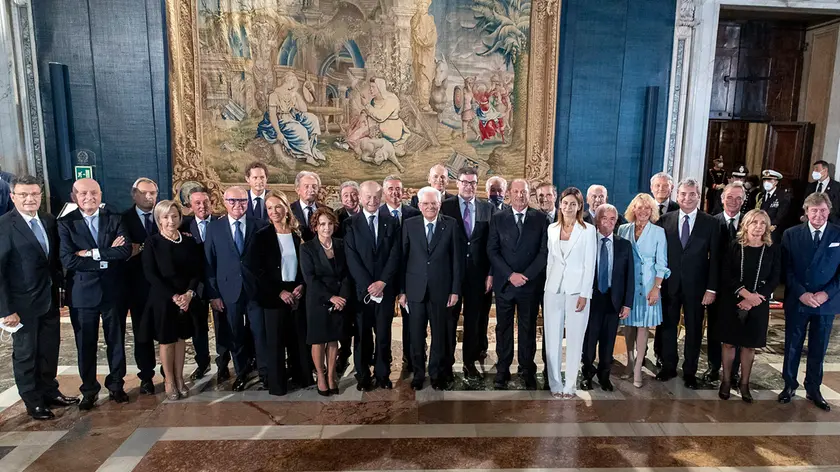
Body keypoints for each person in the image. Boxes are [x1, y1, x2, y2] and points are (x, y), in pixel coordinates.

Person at [0, 175, 78, 420]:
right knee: (26, 354)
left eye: (34, 194)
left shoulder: (48, 220)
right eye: (24, 195)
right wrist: (4, 310)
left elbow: (52, 261)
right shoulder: (4, 226)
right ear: (13, 197)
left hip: (49, 299)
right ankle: (32, 401)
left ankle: (49, 391)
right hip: (21, 304)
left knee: (48, 349)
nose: (30, 199)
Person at [58, 178, 132, 410]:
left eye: (94, 193)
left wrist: (89, 253)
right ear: (74, 197)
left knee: (116, 341)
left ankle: (117, 385)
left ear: (101, 194)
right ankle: (89, 389)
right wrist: (105, 256)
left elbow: (124, 250)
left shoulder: (115, 217)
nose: (89, 197)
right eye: (83, 194)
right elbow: (68, 259)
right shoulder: (65, 223)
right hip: (82, 295)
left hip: (114, 291)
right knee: (86, 344)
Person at [657, 178, 721, 389]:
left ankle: (690, 372)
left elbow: (715, 259)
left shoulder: (711, 223)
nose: (687, 198)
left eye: (692, 194)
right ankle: (668, 366)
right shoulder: (665, 220)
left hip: (698, 288)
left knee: (694, 330)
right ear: (677, 196)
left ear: (698, 197)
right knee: (668, 327)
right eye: (683, 194)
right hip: (669, 285)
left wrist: (711, 288)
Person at [779, 192, 840, 411]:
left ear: (829, 211)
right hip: (799, 299)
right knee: (793, 345)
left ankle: (814, 388)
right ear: (806, 212)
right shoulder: (791, 234)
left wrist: (826, 294)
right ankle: (789, 385)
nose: (819, 214)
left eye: (823, 210)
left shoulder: (838, 234)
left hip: (826, 302)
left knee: (818, 347)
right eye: (814, 210)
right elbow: (785, 268)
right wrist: (801, 293)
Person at [204, 186, 269, 391]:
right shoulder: (215, 228)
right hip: (228, 291)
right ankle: (241, 373)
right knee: (235, 334)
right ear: (225, 202)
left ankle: (264, 372)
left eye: (242, 201)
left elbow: (267, 261)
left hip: (255, 291)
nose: (237, 205)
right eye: (232, 200)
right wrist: (213, 294)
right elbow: (209, 263)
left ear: (247, 203)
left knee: (259, 333)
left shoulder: (260, 225)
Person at [487, 179, 548, 390]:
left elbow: (543, 252)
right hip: (506, 284)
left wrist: (526, 276)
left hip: (530, 285)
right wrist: (510, 274)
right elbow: (492, 251)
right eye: (516, 191)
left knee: (527, 329)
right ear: (509, 194)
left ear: (529, 194)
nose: (520, 195)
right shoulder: (498, 218)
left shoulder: (540, 218)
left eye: (524, 192)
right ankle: (502, 370)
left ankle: (526, 370)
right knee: (503, 329)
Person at [399, 186, 462, 391]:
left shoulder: (451, 225)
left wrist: (454, 290)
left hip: (441, 291)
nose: (429, 207)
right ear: (419, 205)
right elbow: (403, 258)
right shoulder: (409, 224)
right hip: (415, 291)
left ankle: (436, 374)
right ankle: (418, 374)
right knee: (416, 336)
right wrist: (402, 291)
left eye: (433, 203)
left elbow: (456, 260)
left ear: (439, 204)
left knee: (439, 335)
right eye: (425, 203)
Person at [142, 200, 204, 401]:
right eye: (166, 217)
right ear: (159, 219)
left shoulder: (188, 241)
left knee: (181, 340)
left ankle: (179, 378)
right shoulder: (152, 242)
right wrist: (174, 296)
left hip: (186, 298)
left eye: (175, 216)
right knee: (167, 340)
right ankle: (169, 380)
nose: (171, 221)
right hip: (163, 299)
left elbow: (197, 271)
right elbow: (151, 275)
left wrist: (188, 294)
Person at [718, 209, 781, 403]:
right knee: (729, 342)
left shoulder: (772, 249)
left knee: (749, 345)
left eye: (763, 223)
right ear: (746, 225)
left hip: (759, 303)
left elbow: (775, 278)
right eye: (754, 222)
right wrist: (744, 294)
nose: (758, 227)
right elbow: (726, 274)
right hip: (733, 300)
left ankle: (744, 383)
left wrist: (755, 298)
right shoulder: (734, 246)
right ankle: (727, 380)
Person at [344, 181, 401, 390]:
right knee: (362, 335)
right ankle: (363, 376)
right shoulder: (350, 224)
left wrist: (382, 282)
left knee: (384, 334)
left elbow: (395, 254)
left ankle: (383, 374)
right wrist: (369, 285)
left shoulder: (392, 222)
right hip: (361, 292)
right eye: (368, 196)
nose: (372, 201)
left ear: (382, 197)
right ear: (360, 196)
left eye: (376, 197)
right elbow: (351, 258)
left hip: (384, 290)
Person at [252, 191, 308, 396]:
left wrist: (302, 285)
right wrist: (279, 292)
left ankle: (302, 378)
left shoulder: (299, 233)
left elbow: (306, 264)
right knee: (275, 343)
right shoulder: (262, 236)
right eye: (269, 208)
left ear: (286, 207)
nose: (274, 211)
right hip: (273, 295)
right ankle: (278, 385)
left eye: (277, 206)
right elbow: (257, 271)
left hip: (297, 292)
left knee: (297, 339)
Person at [440, 167, 494, 380]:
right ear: (457, 183)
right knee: (449, 320)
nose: (469, 186)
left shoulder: (487, 208)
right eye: (465, 182)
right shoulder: (444, 207)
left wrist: (490, 273)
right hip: (451, 275)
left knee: (473, 321)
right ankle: (447, 362)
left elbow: (492, 244)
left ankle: (469, 363)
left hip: (478, 276)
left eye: (473, 183)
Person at [543, 187, 596, 398]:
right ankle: (555, 384)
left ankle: (570, 385)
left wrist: (585, 293)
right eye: (565, 203)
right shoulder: (552, 229)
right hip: (553, 289)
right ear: (560, 205)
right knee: (552, 338)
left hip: (577, 291)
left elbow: (589, 264)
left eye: (573, 204)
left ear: (579, 206)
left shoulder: (588, 230)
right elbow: (550, 261)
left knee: (575, 339)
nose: (568, 207)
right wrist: (548, 285)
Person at [618, 193, 669, 388]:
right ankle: (629, 362)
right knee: (628, 327)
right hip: (629, 287)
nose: (643, 212)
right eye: (639, 208)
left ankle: (639, 366)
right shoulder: (623, 229)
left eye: (647, 208)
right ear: (633, 210)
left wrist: (657, 288)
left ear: (652, 211)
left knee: (642, 328)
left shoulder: (658, 232)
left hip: (649, 287)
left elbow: (661, 263)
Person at [581, 204, 633, 392]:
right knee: (589, 340)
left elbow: (630, 276)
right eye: (605, 218)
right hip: (591, 299)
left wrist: (627, 303)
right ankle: (586, 373)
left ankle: (604, 375)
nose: (609, 223)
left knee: (608, 341)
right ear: (597, 220)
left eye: (613, 219)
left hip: (613, 300)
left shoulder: (624, 245)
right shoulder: (587, 242)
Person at [300, 207, 352, 396]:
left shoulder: (341, 244)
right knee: (318, 341)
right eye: (322, 224)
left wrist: (342, 297)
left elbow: (347, 274)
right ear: (315, 226)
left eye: (330, 224)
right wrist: (331, 297)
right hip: (318, 300)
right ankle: (320, 376)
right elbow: (310, 278)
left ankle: (331, 376)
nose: (326, 227)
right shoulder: (307, 248)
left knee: (333, 340)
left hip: (340, 300)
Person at [179, 187, 228, 381]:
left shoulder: (222, 223)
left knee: (222, 326)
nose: (202, 206)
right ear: (190, 206)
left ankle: (223, 364)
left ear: (212, 202)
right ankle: (202, 363)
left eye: (205, 201)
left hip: (219, 283)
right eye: (197, 202)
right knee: (199, 327)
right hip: (195, 285)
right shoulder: (184, 226)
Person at [119, 177, 159, 395]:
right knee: (142, 332)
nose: (149, 197)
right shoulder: (123, 219)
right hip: (137, 286)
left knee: (166, 331)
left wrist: (139, 247)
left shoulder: (164, 215)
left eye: (152, 193)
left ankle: (171, 373)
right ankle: (146, 376)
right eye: (144, 193)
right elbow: (124, 250)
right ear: (134, 194)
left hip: (163, 286)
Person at [705, 182, 747, 384]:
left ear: (744, 201)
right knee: (714, 329)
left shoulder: (750, 223)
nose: (734, 202)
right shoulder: (712, 222)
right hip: (717, 288)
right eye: (729, 197)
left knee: (739, 329)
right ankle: (713, 367)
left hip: (742, 288)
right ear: (722, 199)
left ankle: (734, 370)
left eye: (739, 198)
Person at [381, 175, 421, 368]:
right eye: (391, 189)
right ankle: (384, 356)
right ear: (384, 192)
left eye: (398, 189)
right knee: (384, 319)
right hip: (385, 278)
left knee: (410, 317)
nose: (395, 192)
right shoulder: (378, 214)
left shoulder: (414, 213)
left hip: (410, 274)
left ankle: (410, 355)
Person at [256, 71, 325, 167]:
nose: (294, 86)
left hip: (292, 117)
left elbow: (303, 109)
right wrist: (279, 133)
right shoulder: (274, 95)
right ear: (288, 82)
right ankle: (308, 156)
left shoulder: (291, 94)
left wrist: (296, 94)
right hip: (281, 121)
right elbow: (272, 116)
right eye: (293, 83)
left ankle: (312, 149)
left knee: (313, 119)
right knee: (301, 131)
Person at [650, 171, 678, 367]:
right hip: (645, 271)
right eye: (657, 186)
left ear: (671, 188)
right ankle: (638, 354)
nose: (661, 189)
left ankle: (661, 353)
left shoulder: (679, 209)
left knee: (666, 317)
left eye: (665, 186)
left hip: (668, 272)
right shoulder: (643, 207)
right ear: (652, 188)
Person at [747, 169, 790, 244]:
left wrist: (767, 226)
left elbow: (780, 216)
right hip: (759, 229)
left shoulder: (783, 196)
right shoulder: (760, 195)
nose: (767, 182)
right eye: (765, 180)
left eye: (770, 180)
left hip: (773, 231)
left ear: (776, 182)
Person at [290, 171, 322, 241]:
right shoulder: (289, 211)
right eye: (306, 186)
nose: (311, 190)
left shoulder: (327, 211)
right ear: (298, 190)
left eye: (314, 186)